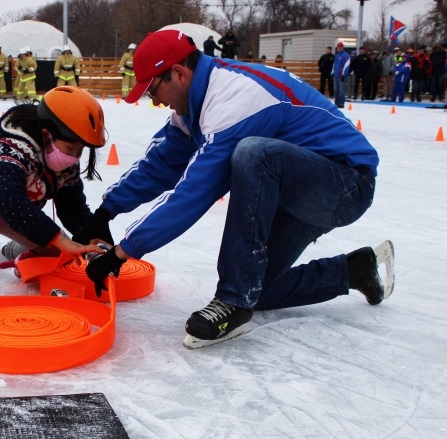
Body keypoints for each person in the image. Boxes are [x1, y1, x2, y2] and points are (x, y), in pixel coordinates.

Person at [74, 29, 389, 348]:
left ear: (179, 73)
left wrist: (122, 252)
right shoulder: (194, 105)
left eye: (153, 89)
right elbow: (160, 164)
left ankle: (233, 301)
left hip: (346, 184)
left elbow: (193, 193)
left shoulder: (233, 98)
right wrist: (105, 212)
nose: (154, 100)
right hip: (296, 186)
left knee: (253, 155)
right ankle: (353, 271)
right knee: (259, 288)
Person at [0, 86, 106, 298]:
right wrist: (62, 239)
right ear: (47, 135)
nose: (74, 157)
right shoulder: (10, 148)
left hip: (16, 215)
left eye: (80, 151)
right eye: (70, 149)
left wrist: (95, 240)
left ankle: (3, 254)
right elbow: (9, 201)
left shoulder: (66, 165)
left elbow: (73, 208)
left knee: (63, 253)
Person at [332, 42, 350, 109]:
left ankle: (341, 102)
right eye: (338, 47)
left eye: (340, 47)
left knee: (342, 90)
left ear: (343, 47)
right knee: (336, 89)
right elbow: (334, 65)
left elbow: (347, 65)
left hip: (341, 75)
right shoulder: (337, 55)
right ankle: (336, 102)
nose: (339, 48)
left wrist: (343, 74)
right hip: (336, 74)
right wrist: (332, 73)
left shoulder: (346, 55)